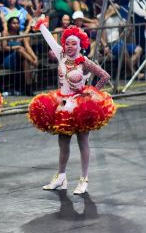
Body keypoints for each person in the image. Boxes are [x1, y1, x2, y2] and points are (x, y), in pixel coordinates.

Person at [29, 18, 115, 195]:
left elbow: (105, 76)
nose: (69, 46)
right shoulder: (60, 55)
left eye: (73, 44)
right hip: (62, 103)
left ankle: (84, 179)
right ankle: (61, 176)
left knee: (83, 141)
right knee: (63, 142)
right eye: (67, 43)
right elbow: (49, 40)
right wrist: (42, 26)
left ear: (80, 45)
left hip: (81, 105)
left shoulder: (84, 62)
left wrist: (92, 91)